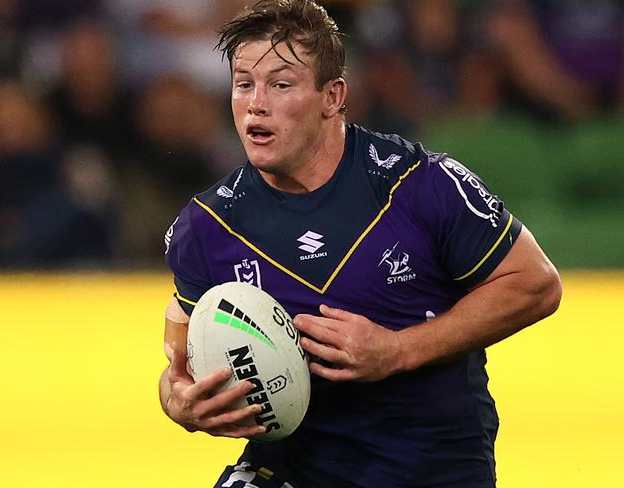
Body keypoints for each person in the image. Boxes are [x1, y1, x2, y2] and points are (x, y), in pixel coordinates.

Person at [158, 1, 562, 487]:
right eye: (244, 83)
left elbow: (536, 285)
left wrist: (398, 350)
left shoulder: (418, 183)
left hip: (433, 468)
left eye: (280, 84)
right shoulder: (206, 225)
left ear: (332, 96)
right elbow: (177, 364)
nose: (255, 103)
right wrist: (178, 402)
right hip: (295, 466)